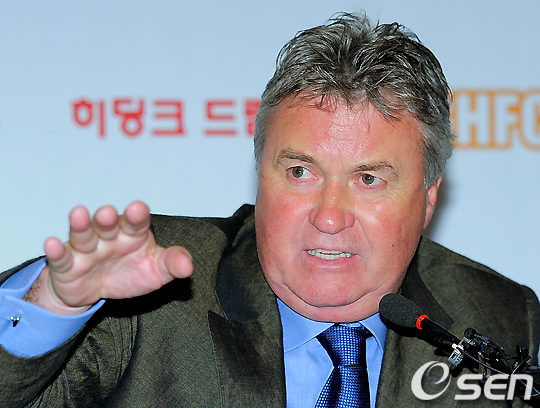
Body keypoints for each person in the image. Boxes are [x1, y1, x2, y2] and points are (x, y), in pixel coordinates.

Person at [1, 11, 539, 408]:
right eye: (301, 172)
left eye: (368, 179)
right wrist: (52, 306)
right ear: (261, 172)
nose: (329, 216)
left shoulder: (501, 318)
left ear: (428, 198)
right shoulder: (146, 298)